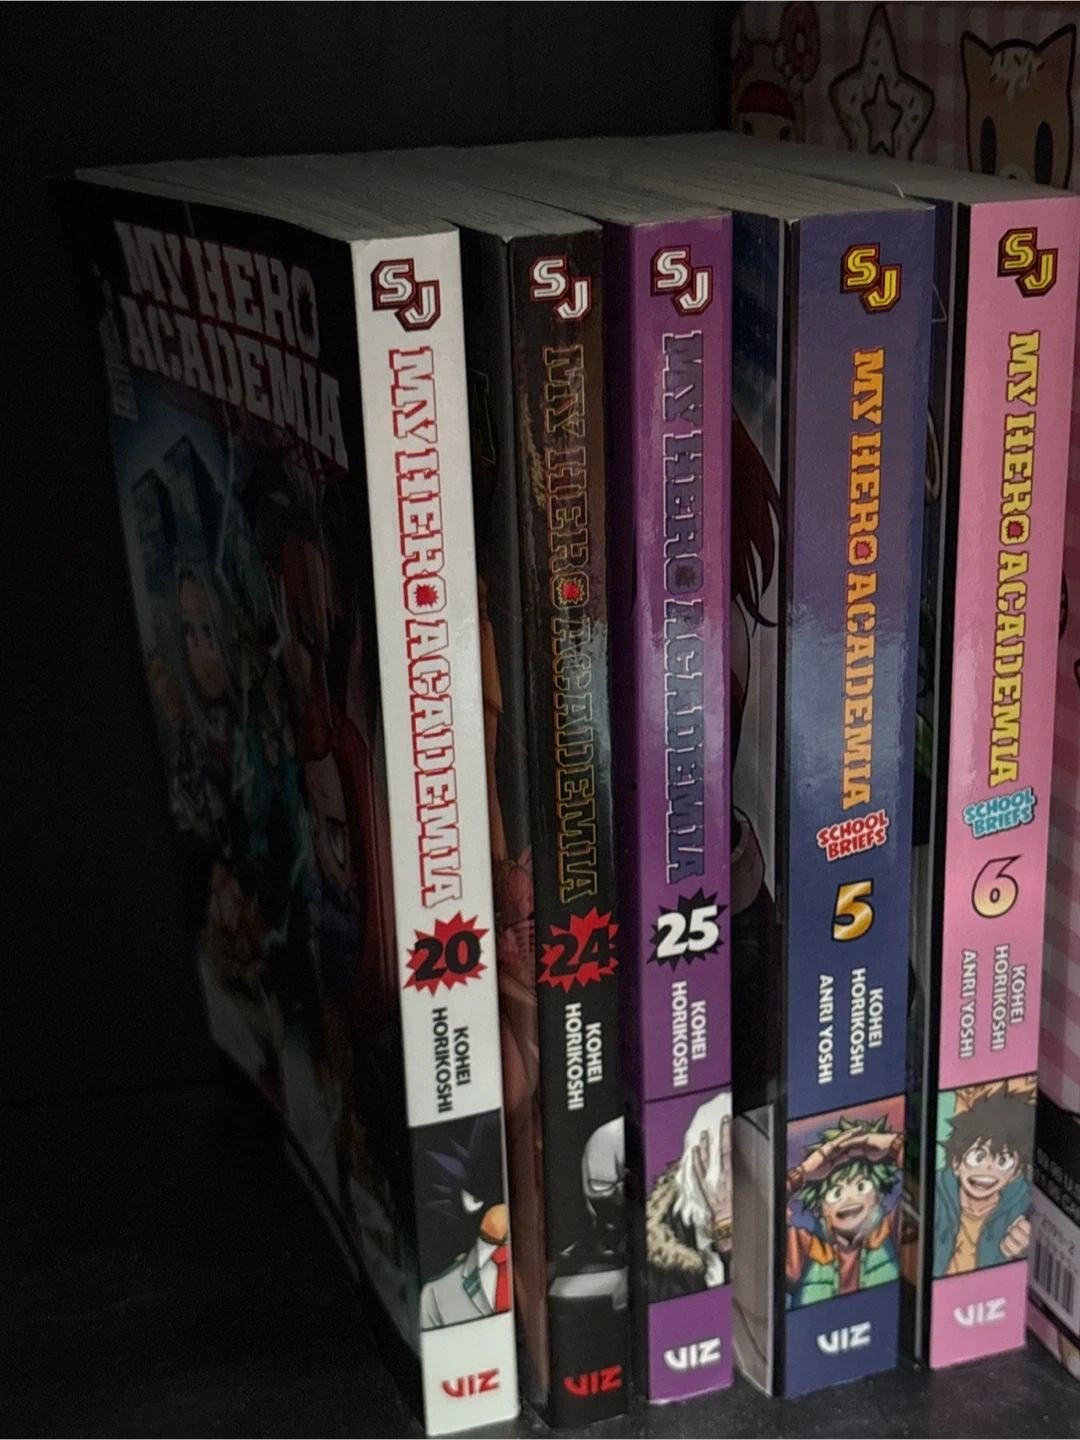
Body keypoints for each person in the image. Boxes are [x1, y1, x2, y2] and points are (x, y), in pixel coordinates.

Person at [786, 1116, 902, 1307]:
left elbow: (925, 1183)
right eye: (836, 1193)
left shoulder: (892, 1231)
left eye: (861, 1187)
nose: (849, 1200)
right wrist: (803, 1173)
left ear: (877, 1196)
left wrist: (891, 1144)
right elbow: (761, 1216)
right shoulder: (805, 1249)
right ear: (822, 1207)